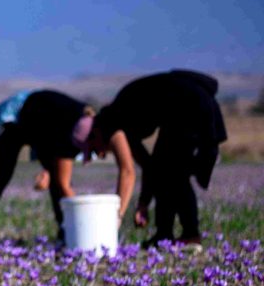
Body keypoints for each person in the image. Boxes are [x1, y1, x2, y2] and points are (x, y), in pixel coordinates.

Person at [0, 90, 136, 241]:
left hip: (43, 123)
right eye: (101, 150)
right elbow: (64, 185)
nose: (102, 155)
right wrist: (85, 226)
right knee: (0, 175)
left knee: (56, 181)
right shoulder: (74, 133)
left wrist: (48, 170)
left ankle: (65, 230)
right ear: (95, 137)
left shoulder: (92, 129)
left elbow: (52, 149)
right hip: (17, 119)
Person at [85, 70, 227, 248]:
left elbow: (128, 171)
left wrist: (119, 215)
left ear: (95, 133)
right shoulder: (118, 117)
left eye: (94, 149)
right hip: (184, 108)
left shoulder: (114, 122)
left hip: (189, 106)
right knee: (165, 169)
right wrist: (143, 203)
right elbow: (150, 167)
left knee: (175, 173)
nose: (100, 154)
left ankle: (190, 236)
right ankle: (164, 235)